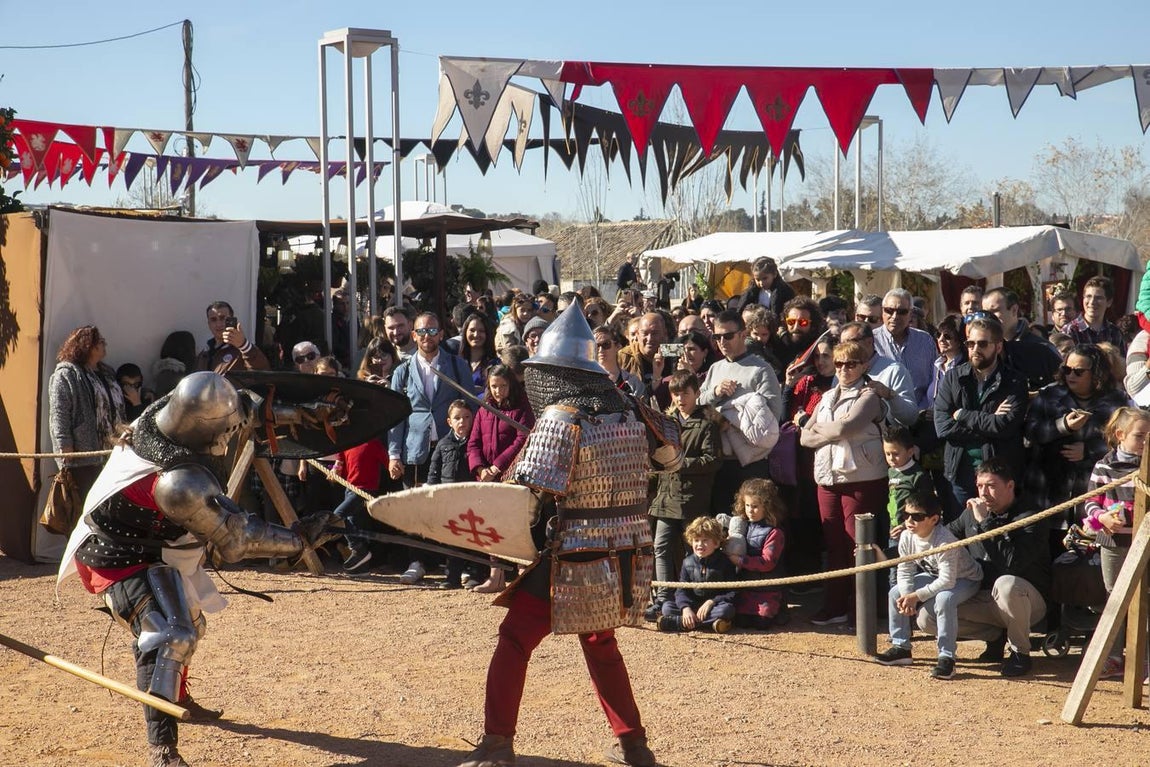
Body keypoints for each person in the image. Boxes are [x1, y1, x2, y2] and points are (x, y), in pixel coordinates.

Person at [55, 372, 337, 767]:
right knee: (169, 633)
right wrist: (300, 539)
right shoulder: (178, 483)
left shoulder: (168, 412)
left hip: (154, 544)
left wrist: (304, 414)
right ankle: (163, 750)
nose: (227, 437)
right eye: (221, 431)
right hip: (114, 553)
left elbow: (240, 410)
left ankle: (178, 696)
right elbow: (238, 541)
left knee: (190, 619)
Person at [456, 306, 682, 767]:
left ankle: (497, 742)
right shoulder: (633, 408)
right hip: (626, 553)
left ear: (555, 372)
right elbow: (671, 458)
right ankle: (634, 745)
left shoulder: (562, 416)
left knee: (514, 639)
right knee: (601, 644)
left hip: (576, 555)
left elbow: (528, 495)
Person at [795, 339, 887, 625]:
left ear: (864, 366)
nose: (845, 369)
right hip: (827, 478)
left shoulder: (869, 396)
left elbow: (849, 426)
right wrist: (834, 431)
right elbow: (804, 437)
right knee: (834, 544)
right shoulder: (826, 397)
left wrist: (829, 429)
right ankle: (834, 606)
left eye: (851, 364)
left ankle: (862, 609)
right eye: (839, 364)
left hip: (862, 478)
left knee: (858, 545)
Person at [940, 459, 1050, 678]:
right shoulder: (972, 514)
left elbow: (1012, 562)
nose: (984, 493)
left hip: (1027, 601)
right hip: (986, 598)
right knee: (928, 615)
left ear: (1009, 486)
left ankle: (1020, 653)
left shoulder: (1030, 516)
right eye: (980, 486)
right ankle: (994, 637)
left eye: (991, 486)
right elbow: (943, 537)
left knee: (1007, 583)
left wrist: (984, 523)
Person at [388, 312, 475, 585]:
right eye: (421, 332)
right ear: (413, 336)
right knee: (416, 508)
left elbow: (470, 405)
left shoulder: (457, 365)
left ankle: (458, 563)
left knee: (454, 507)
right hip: (415, 448)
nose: (427, 337)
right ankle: (417, 561)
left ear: (440, 334)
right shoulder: (402, 372)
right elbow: (395, 417)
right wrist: (393, 454)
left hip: (451, 446)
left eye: (432, 331)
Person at [875, 492, 983, 680]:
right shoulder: (907, 536)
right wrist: (908, 595)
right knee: (896, 592)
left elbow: (948, 581)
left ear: (934, 519)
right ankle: (901, 647)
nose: (909, 521)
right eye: (906, 515)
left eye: (917, 517)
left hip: (965, 578)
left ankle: (946, 657)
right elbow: (905, 568)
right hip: (935, 575)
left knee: (944, 599)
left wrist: (916, 596)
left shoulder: (944, 540)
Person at [1023, 343, 1131, 525]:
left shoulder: (1116, 400)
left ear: (1096, 374)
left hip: (1092, 492)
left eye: (1078, 371)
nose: (1070, 375)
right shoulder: (1049, 395)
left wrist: (1089, 450)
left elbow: (1126, 441)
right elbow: (1030, 433)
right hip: (1048, 490)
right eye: (1067, 369)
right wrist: (1062, 426)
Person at [646, 370, 721, 620]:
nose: (680, 398)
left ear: (696, 393)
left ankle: (689, 599)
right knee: (661, 547)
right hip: (666, 495)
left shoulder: (707, 423)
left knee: (694, 551)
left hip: (692, 498)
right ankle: (664, 599)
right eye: (675, 394)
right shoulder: (665, 421)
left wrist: (680, 463)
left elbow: (713, 460)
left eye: (685, 393)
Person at [932, 316, 1028, 510]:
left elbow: (1005, 426)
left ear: (998, 346)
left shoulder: (1014, 381)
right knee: (961, 535)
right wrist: (989, 420)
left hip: (998, 476)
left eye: (983, 344)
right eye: (971, 343)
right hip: (960, 472)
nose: (975, 349)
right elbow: (942, 426)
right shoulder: (953, 378)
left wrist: (962, 415)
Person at [1083, 407, 1150, 679]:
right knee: (1116, 598)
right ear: (1120, 435)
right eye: (1140, 436)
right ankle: (1113, 656)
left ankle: (1144, 658)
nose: (1145, 442)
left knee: (1145, 599)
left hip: (1144, 542)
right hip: (1113, 543)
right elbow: (1090, 502)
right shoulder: (1105, 465)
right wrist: (1102, 518)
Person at [698, 309, 785, 511]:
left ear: (743, 335)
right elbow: (699, 403)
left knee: (752, 525)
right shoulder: (715, 368)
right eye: (717, 337)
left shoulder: (761, 369)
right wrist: (716, 392)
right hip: (719, 459)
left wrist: (734, 416)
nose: (722, 341)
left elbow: (772, 416)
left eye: (728, 336)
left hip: (751, 462)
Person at [466, 365, 535, 593]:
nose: (498, 391)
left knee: (515, 528)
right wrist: (480, 469)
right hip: (487, 478)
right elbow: (473, 442)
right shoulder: (484, 409)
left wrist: (497, 466)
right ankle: (496, 576)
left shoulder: (522, 407)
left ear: (510, 385)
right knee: (490, 527)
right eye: (494, 386)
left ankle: (521, 579)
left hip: (512, 477)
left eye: (503, 386)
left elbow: (522, 439)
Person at [49, 325, 126, 508]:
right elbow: (59, 413)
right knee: (86, 508)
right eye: (100, 341)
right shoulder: (67, 374)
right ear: (87, 345)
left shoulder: (106, 373)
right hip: (84, 457)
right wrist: (64, 447)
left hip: (112, 453)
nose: (104, 344)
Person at [721, 478, 787, 629]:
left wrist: (740, 561)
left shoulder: (774, 532)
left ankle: (781, 610)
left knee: (761, 623)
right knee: (741, 621)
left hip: (768, 589)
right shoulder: (742, 526)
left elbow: (768, 562)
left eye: (755, 506)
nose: (750, 510)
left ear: (768, 507)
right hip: (746, 587)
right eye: (747, 505)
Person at [656, 516, 738, 633]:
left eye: (705, 540)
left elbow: (732, 592)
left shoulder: (724, 562)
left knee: (727, 610)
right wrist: (685, 608)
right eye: (696, 540)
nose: (700, 544)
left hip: (713, 607)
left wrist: (712, 602)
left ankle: (679, 623)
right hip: (693, 605)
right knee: (667, 607)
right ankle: (710, 624)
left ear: (715, 543)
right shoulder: (687, 562)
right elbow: (681, 590)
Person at [428, 400, 478, 590]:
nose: (462, 422)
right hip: (449, 497)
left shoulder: (475, 443)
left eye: (466, 417)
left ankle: (474, 573)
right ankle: (452, 576)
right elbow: (434, 470)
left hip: (471, 498)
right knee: (453, 539)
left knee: (474, 537)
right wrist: (432, 491)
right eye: (457, 418)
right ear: (449, 422)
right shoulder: (443, 444)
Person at [836, 321, 919, 427]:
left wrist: (889, 395)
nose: (846, 348)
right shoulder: (840, 371)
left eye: (850, 342)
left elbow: (910, 417)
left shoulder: (894, 371)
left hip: (882, 439)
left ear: (869, 342)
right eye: (842, 343)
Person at [981, 287, 1061, 392]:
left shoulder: (1041, 349)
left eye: (994, 311)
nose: (989, 318)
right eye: (985, 313)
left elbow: (1059, 387)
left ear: (1014, 310)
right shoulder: (983, 348)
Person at [873, 288, 937, 409]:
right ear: (882, 311)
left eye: (902, 311)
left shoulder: (925, 340)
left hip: (922, 416)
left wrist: (924, 409)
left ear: (910, 313)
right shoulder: (870, 341)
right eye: (889, 310)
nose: (894, 316)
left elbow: (934, 380)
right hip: (883, 416)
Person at [883, 424, 935, 552]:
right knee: (893, 566)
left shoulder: (918, 475)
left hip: (912, 531)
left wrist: (905, 525)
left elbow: (926, 506)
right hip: (893, 530)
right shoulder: (891, 471)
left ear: (910, 452)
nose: (891, 458)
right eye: (887, 454)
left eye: (895, 454)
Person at [194, 301, 270, 374]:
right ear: (209, 324)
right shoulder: (204, 353)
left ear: (232, 320)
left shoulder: (243, 350)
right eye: (213, 320)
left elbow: (262, 372)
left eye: (222, 318)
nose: (218, 324)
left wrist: (244, 345)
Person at [1067, 276, 1126, 353]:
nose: (1092, 302)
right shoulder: (1070, 331)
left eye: (1099, 298)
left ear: (1109, 302)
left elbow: (1121, 362)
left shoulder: (1115, 332)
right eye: (1088, 296)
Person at [594, 324, 646, 398]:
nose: (600, 350)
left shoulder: (633, 383)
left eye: (606, 344)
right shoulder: (586, 380)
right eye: (596, 346)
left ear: (617, 346)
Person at [458, 313, 499, 393]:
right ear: (465, 332)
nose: (476, 335)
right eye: (472, 330)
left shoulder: (495, 364)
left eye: (481, 331)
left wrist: (482, 391)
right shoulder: (456, 362)